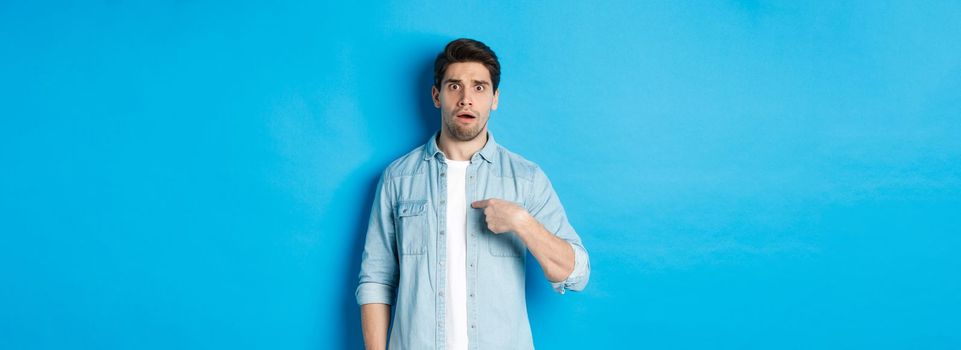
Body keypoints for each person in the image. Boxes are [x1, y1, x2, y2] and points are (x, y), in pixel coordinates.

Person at [356, 38, 590, 350]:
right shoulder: (398, 178)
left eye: (479, 87)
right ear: (437, 96)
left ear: (495, 98)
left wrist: (522, 222)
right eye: (455, 86)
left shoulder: (527, 179)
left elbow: (576, 274)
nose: (466, 99)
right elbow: (375, 281)